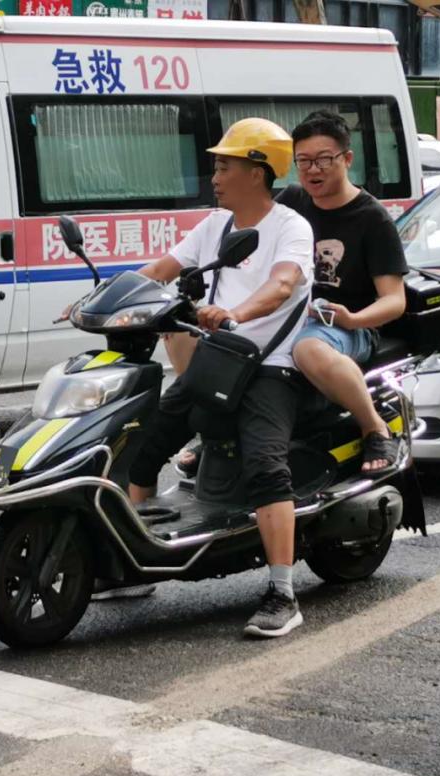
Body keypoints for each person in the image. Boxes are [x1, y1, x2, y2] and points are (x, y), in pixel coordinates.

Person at [126, 118, 314, 638]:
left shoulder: (290, 228)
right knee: (143, 444)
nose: (216, 175)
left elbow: (281, 285)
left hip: (271, 366)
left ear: (257, 171)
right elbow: (160, 270)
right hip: (218, 362)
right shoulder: (215, 226)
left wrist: (236, 314)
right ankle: (138, 560)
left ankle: (282, 591)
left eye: (225, 165)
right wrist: (102, 301)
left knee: (265, 465)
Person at [275, 111, 408, 473]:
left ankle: (375, 429)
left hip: (350, 328)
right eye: (303, 161)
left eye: (322, 160)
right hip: (290, 317)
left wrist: (352, 319)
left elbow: (395, 300)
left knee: (309, 348)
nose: (312, 170)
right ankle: (221, 439)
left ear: (347, 159)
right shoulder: (291, 201)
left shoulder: (372, 219)